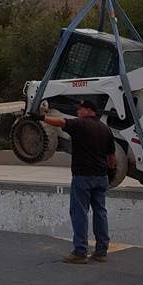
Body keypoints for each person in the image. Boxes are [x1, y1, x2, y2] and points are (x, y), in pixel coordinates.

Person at [32, 99, 116, 264]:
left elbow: (61, 122)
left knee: (79, 213)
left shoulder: (80, 124)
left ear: (88, 110)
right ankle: (101, 251)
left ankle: (80, 252)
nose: (77, 112)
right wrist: (110, 171)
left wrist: (40, 118)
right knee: (100, 212)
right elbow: (111, 157)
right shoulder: (105, 130)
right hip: (101, 177)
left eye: (80, 109)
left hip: (83, 176)